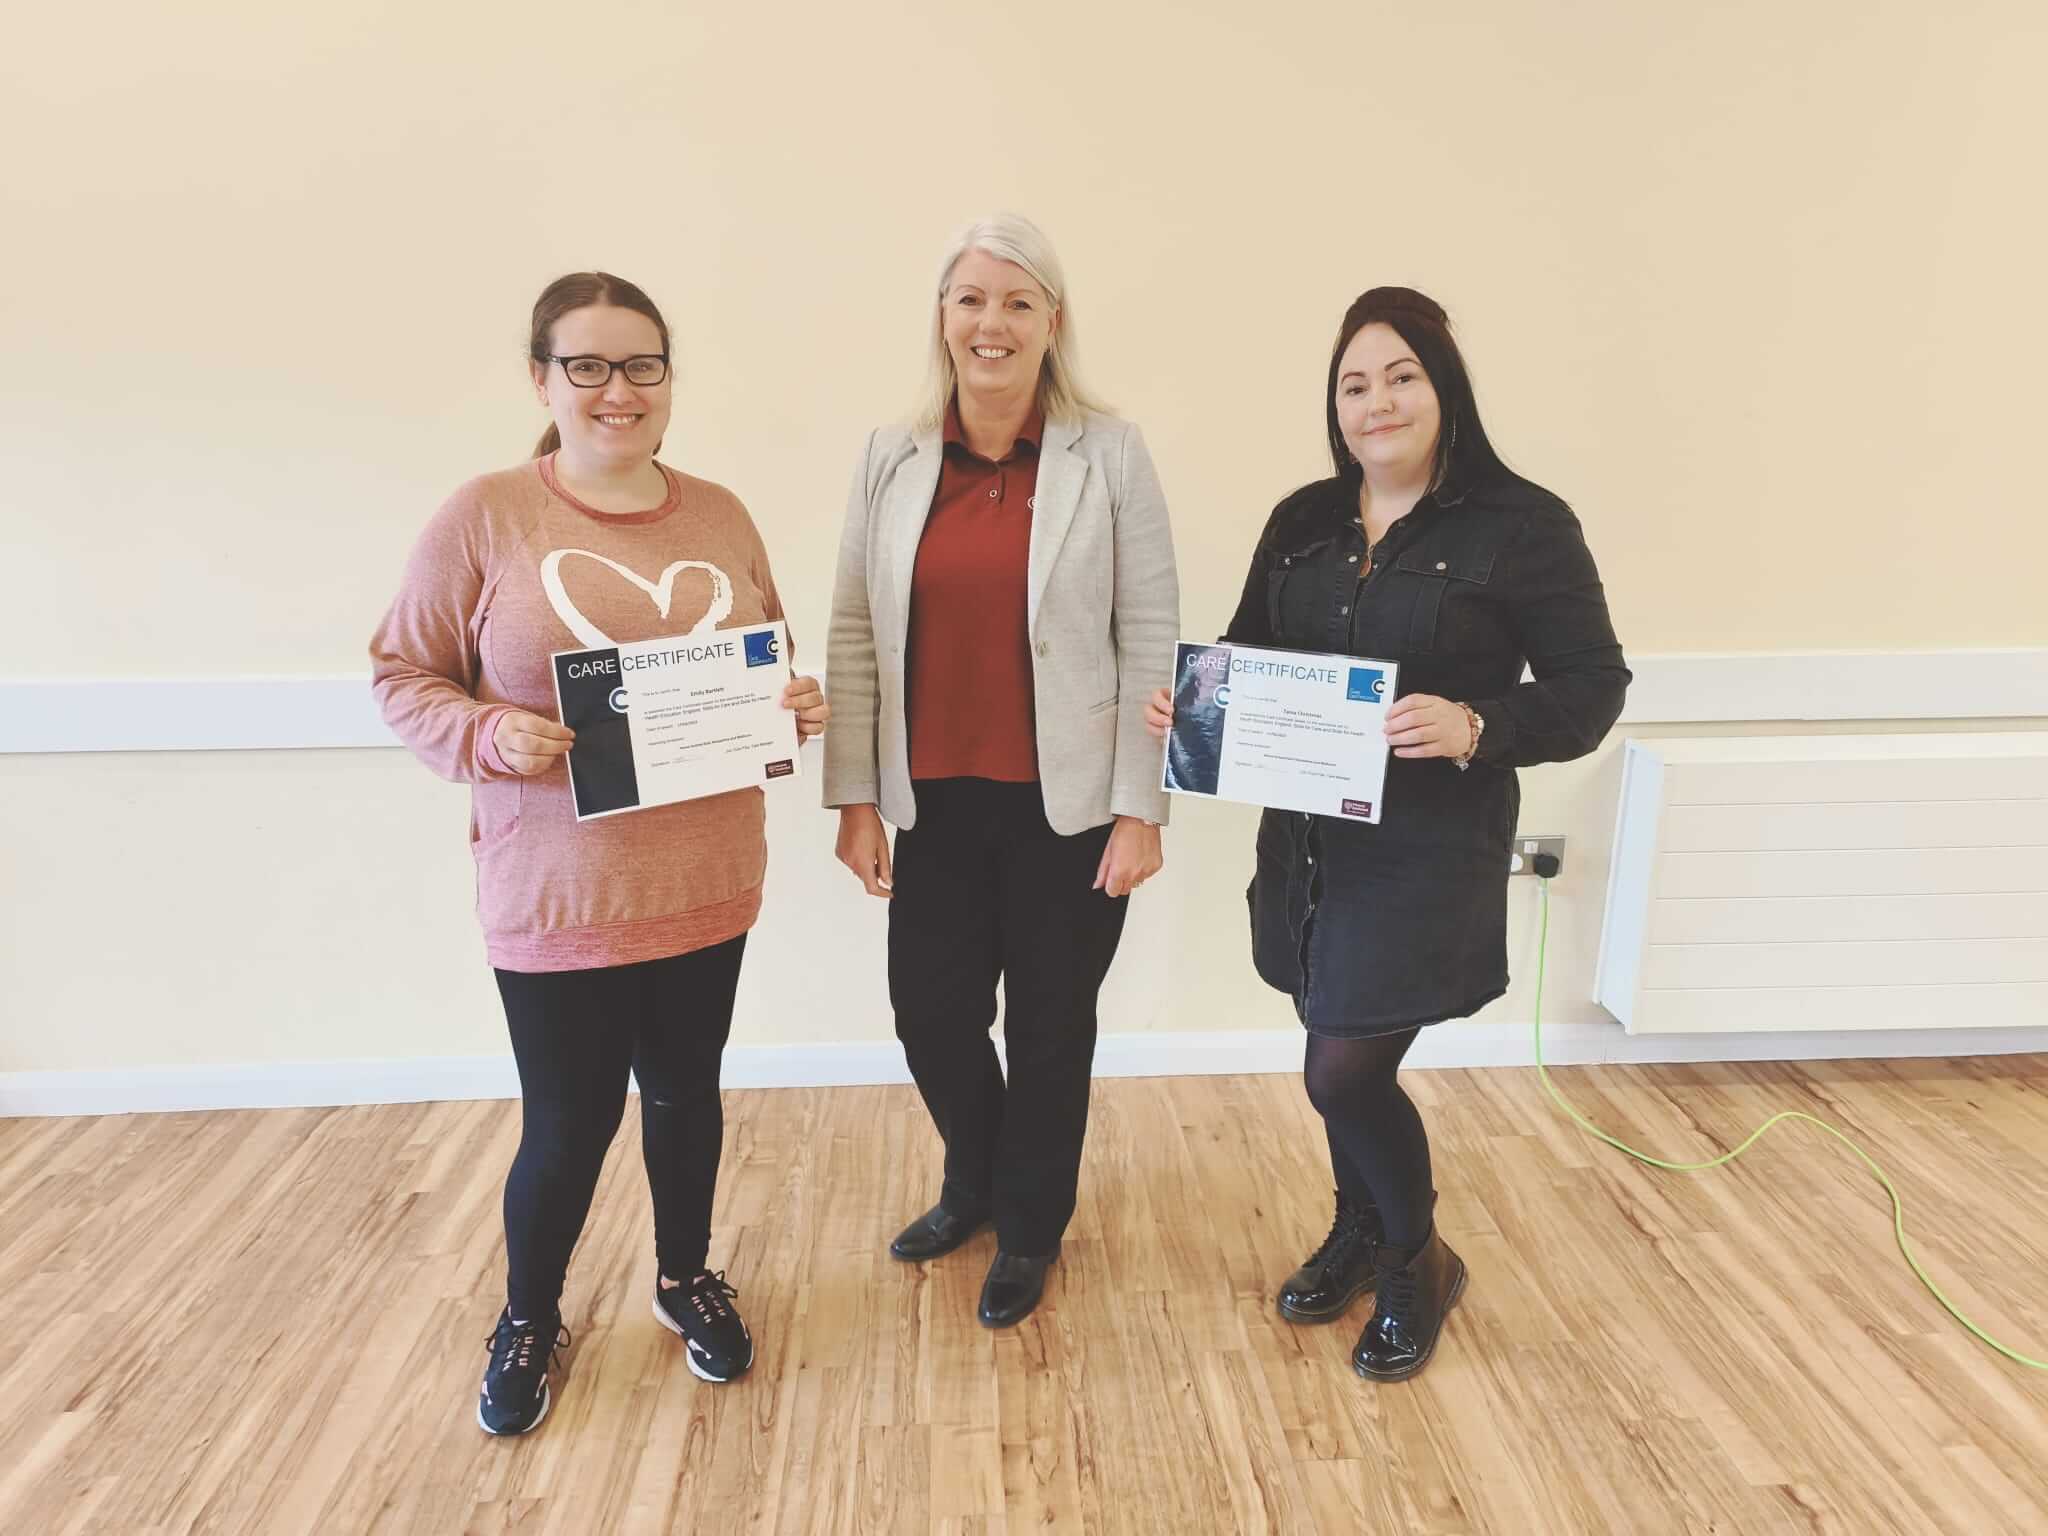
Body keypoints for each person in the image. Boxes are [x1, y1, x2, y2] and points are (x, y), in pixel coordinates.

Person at [370, 271, 827, 1435]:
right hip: (558, 892)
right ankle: (531, 1313)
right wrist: (485, 731)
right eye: (587, 366)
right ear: (542, 379)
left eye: (641, 366)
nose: (616, 390)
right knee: (567, 1123)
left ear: (668, 379)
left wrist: (789, 702)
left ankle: (682, 1279)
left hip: (706, 876)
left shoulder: (719, 513)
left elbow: (761, 656)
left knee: (684, 1097)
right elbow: (401, 674)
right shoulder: (486, 515)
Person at [1147, 286, 1628, 1380]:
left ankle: (1415, 1258)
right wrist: (1199, 703)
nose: (1376, 402)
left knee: (1339, 1074)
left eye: (1399, 375)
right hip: (1309, 850)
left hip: (1425, 856)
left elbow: (1592, 688)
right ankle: (1359, 1226)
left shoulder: (1522, 525)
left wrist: (1475, 725)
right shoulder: (1303, 521)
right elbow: (1249, 653)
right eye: (1353, 384)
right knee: (1328, 1035)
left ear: (1442, 385)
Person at [824, 214, 1179, 1328]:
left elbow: (1150, 638)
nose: (992, 322)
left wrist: (1140, 809)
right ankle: (976, 1178)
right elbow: (849, 627)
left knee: (1048, 1027)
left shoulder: (1106, 454)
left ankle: (1028, 1226)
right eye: (971, 298)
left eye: (1018, 302)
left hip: (1065, 808)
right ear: (942, 316)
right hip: (929, 795)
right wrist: (851, 797)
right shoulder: (889, 455)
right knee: (927, 1014)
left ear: (1050, 324)